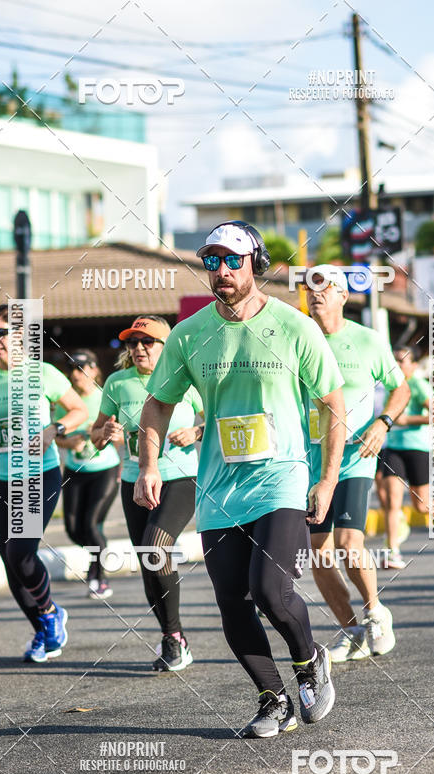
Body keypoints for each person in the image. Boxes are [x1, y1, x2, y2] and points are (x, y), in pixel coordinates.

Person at [135, 221, 346, 738]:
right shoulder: (190, 332)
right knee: (232, 600)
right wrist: (149, 464)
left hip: (282, 477)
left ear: (256, 262)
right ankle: (273, 699)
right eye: (212, 261)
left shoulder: (295, 326)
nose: (222, 271)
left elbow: (332, 403)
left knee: (270, 591)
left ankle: (308, 660)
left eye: (232, 260)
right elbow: (158, 402)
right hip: (219, 486)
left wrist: (328, 479)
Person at [0, 304, 88, 661]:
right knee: (12, 562)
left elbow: (79, 411)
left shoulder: (43, 373)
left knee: (20, 552)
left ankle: (50, 616)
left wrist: (53, 429)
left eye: (2, 332)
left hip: (37, 475)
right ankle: (45, 627)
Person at [303, 265, 410, 663]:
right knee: (318, 552)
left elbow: (401, 388)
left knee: (349, 544)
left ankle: (374, 611)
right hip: (310, 459)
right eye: (310, 288)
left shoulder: (367, 341)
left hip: (354, 457)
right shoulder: (300, 340)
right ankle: (351, 630)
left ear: (343, 295)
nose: (316, 295)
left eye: (326, 287)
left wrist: (383, 423)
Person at [91, 316, 203, 672]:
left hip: (180, 477)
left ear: (166, 346)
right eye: (132, 342)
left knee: (157, 546)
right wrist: (104, 430)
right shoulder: (117, 382)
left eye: (148, 342)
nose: (138, 348)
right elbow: (95, 434)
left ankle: (173, 637)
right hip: (134, 480)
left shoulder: (186, 376)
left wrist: (196, 432)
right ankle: (175, 637)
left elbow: (214, 417)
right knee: (148, 563)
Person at [55, 350, 120, 599]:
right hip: (75, 470)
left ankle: (98, 578)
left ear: (94, 370)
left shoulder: (106, 397)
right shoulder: (66, 402)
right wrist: (69, 444)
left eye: (80, 368)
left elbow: (126, 434)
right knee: (73, 528)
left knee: (92, 523)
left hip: (105, 469)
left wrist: (104, 433)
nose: (75, 374)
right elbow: (56, 436)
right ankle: (100, 551)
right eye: (71, 369)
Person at [381, 346, 432, 567]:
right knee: (392, 499)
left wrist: (405, 421)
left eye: (403, 362)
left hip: (416, 448)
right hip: (392, 448)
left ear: (413, 365)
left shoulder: (419, 385)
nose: (398, 366)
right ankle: (393, 551)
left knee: (421, 505)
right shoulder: (390, 386)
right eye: (395, 361)